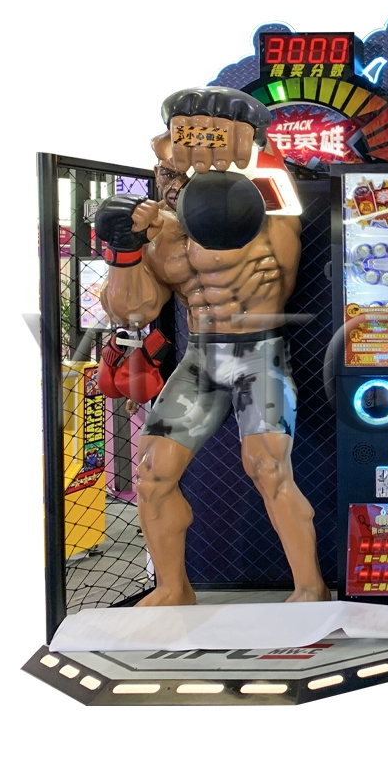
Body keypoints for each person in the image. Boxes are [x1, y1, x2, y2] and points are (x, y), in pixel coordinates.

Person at [96, 87, 330, 607]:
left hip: (258, 356)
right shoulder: (158, 231)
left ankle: (310, 587)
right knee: (152, 475)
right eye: (166, 167)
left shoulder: (264, 207)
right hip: (200, 359)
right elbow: (133, 311)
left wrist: (246, 132)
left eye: (182, 164)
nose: (173, 175)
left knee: (267, 467)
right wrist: (123, 251)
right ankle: (173, 589)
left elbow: (268, 173)